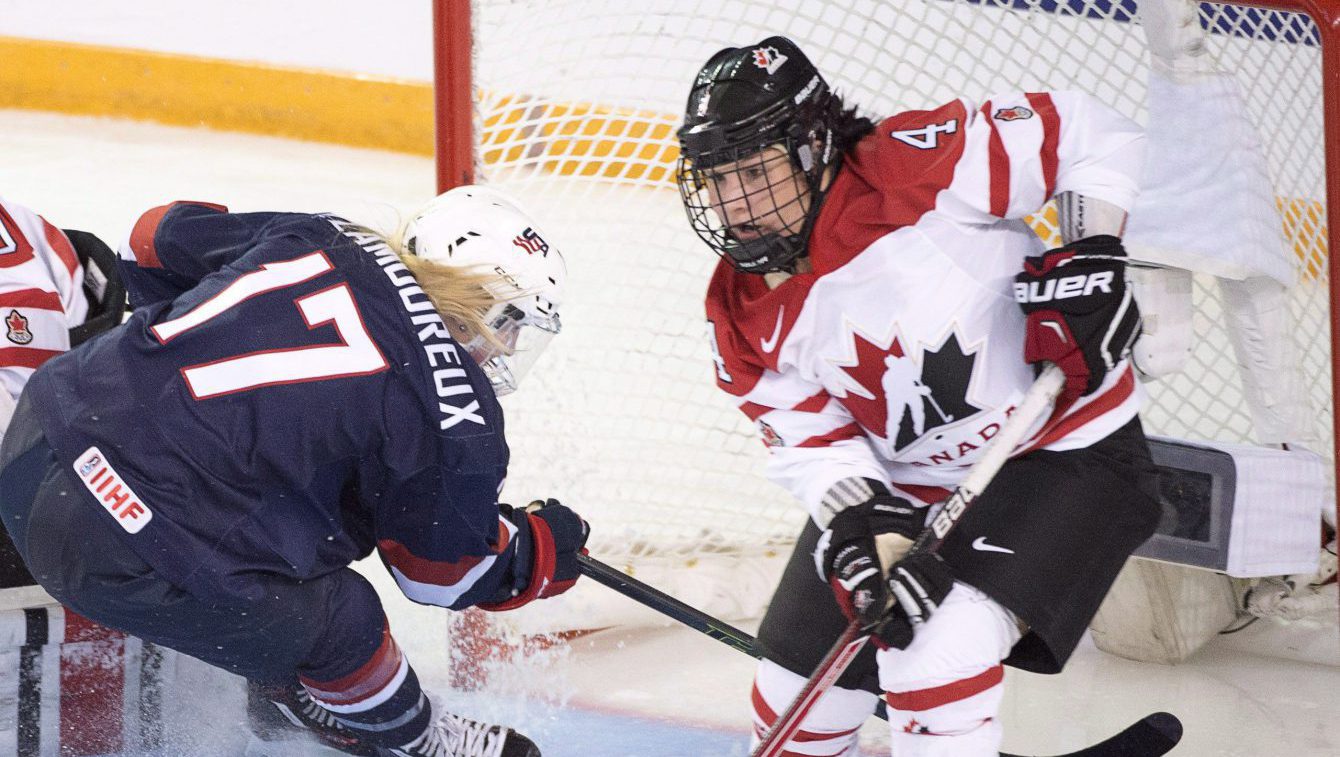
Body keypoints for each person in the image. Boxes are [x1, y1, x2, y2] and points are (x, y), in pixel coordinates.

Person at [676, 36, 1161, 756]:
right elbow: (813, 442)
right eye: (716, 178)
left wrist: (1089, 254)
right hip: (908, 488)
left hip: (1066, 453)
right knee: (792, 694)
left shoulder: (914, 164)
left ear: (812, 148)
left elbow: (1089, 134)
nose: (732, 202)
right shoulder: (740, 307)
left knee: (935, 648)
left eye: (752, 170)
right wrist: (868, 526)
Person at [0, 185, 589, 757]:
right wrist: (537, 551)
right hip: (109, 552)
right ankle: (423, 739)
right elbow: (442, 575)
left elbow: (150, 236)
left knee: (275, 521)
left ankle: (286, 685)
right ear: (481, 303)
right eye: (509, 324)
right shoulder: (458, 410)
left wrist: (186, 366)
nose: (507, 348)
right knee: (343, 620)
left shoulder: (319, 234)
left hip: (34, 444)